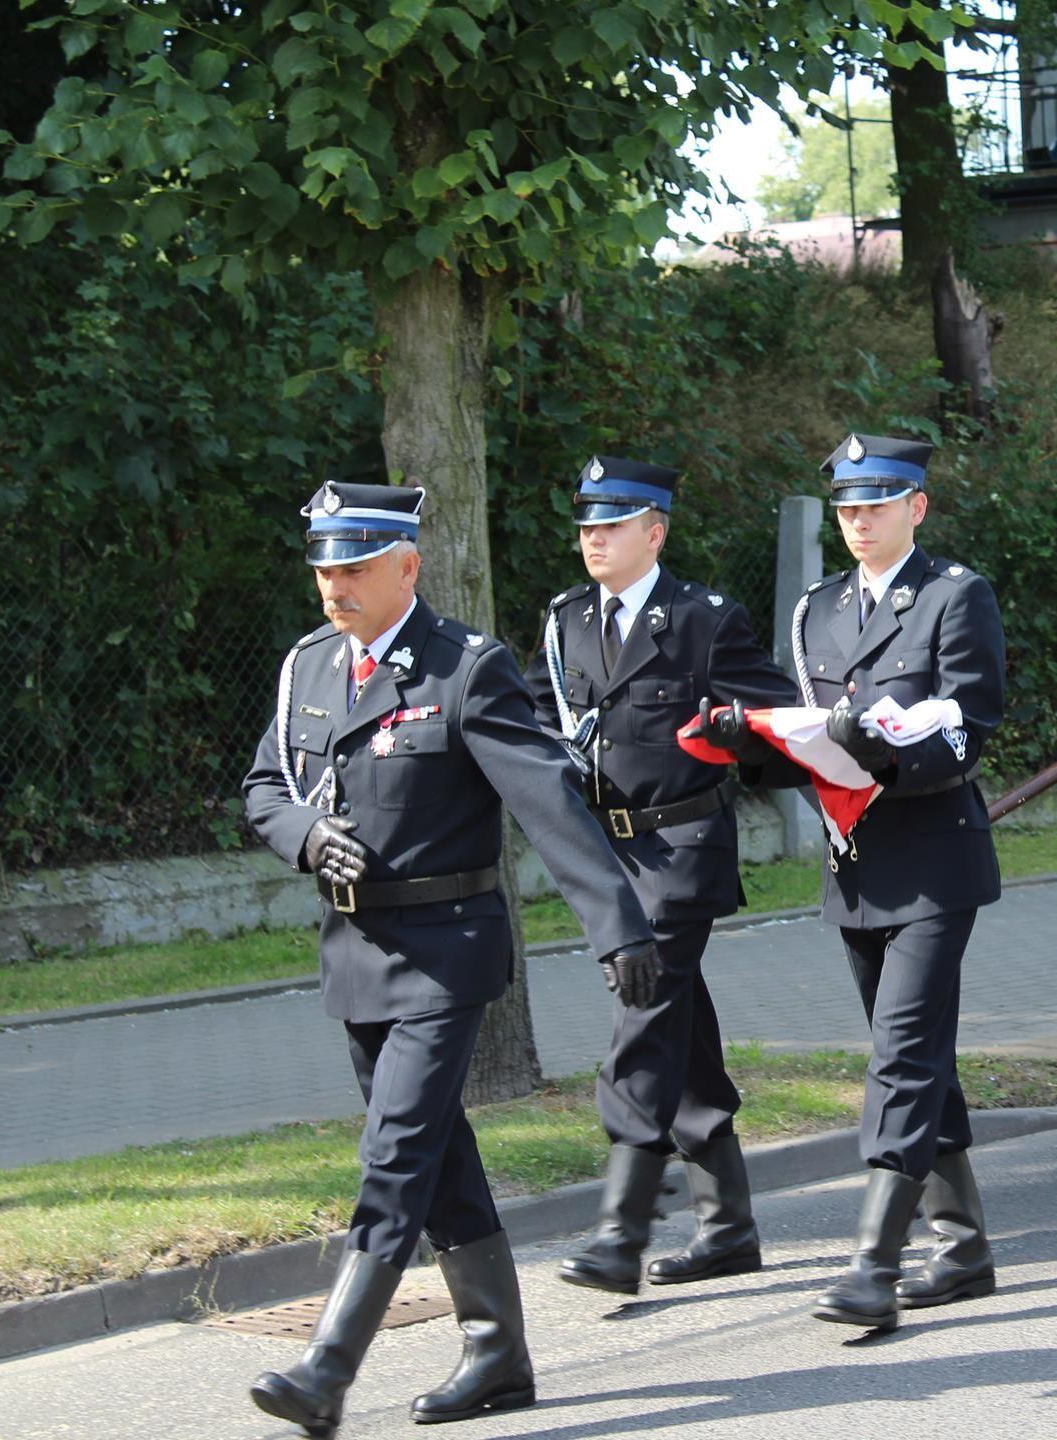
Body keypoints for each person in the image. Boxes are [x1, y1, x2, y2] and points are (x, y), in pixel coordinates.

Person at [241, 481, 658, 1434]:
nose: (333, 586)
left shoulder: (463, 669)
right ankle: (498, 1356)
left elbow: (550, 802)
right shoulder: (307, 667)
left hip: (445, 955)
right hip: (357, 952)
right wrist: (305, 836)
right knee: (438, 1160)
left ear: (406, 566)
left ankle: (326, 1370)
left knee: (394, 1154)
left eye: (353, 568)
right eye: (323, 569)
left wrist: (618, 926)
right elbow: (266, 786)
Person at [523, 456, 802, 1297]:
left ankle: (621, 1227)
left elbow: (774, 718)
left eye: (612, 525)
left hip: (679, 847)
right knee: (680, 1028)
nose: (594, 539)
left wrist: (735, 729)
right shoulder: (565, 619)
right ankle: (727, 1226)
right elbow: (539, 715)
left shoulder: (701, 620)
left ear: (656, 531)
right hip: (609, 856)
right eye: (586, 526)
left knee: (642, 1010)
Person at [791, 433, 1006, 1332]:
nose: (859, 522)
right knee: (915, 1053)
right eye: (846, 507)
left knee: (901, 1055)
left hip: (933, 861)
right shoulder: (816, 609)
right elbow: (809, 726)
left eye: (876, 504)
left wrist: (883, 747)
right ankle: (962, 1245)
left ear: (915, 506)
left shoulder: (955, 596)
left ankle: (876, 1262)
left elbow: (970, 727)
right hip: (856, 862)